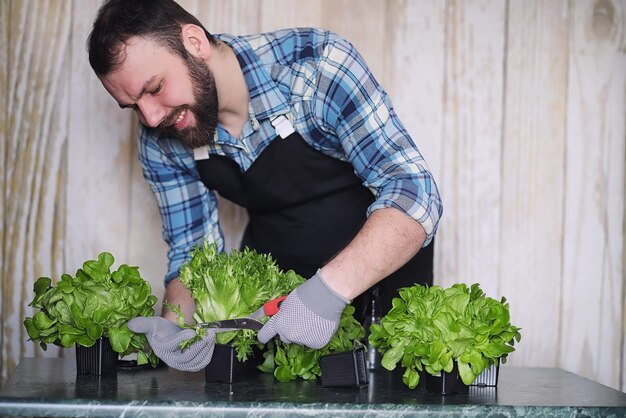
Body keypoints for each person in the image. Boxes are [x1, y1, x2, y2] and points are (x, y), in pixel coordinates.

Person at [87, 0, 442, 372]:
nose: (151, 116)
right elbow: (194, 255)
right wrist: (177, 325)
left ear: (194, 42)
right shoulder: (160, 139)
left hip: (383, 279)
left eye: (155, 88)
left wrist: (326, 292)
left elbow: (415, 191)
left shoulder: (317, 66)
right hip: (275, 296)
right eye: (133, 106)